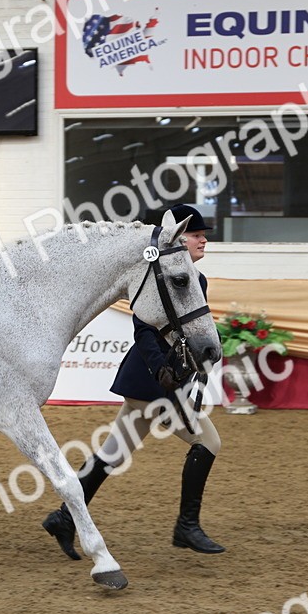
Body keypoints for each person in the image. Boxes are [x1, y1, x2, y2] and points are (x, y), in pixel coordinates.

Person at [42, 203, 226, 559]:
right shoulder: (157, 276)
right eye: (196, 234)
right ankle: (187, 525)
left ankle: (63, 518)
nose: (204, 240)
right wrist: (160, 371)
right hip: (153, 382)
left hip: (157, 384)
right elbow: (143, 331)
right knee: (208, 441)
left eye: (204, 235)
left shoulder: (197, 280)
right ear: (177, 239)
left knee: (112, 453)